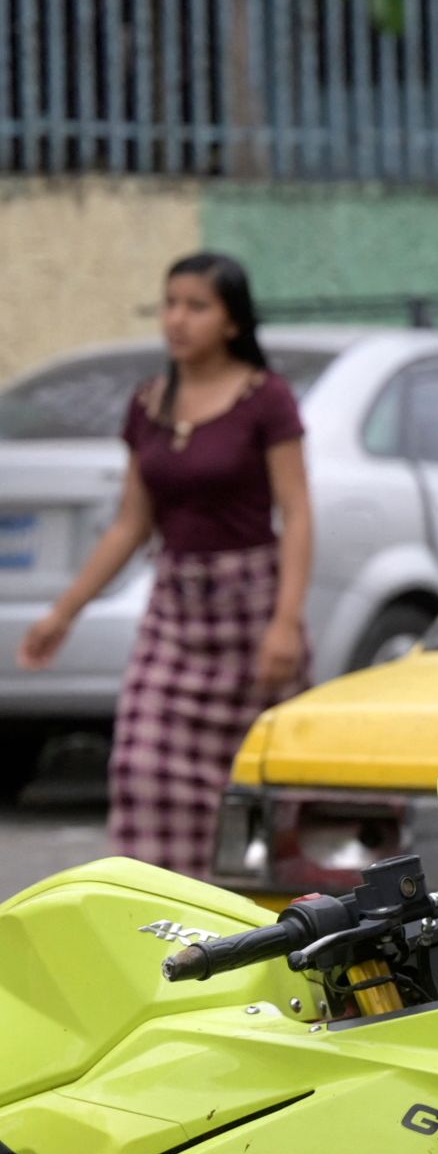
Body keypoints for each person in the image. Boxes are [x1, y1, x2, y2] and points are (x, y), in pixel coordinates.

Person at [16, 252, 314, 875]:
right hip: (174, 612)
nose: (177, 320)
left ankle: (244, 923)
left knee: (254, 788)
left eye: (197, 306)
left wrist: (286, 622)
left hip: (250, 612)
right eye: (170, 304)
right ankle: (154, 920)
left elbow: (298, 513)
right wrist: (62, 614)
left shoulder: (266, 400)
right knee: (139, 763)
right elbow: (131, 522)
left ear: (232, 321)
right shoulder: (148, 404)